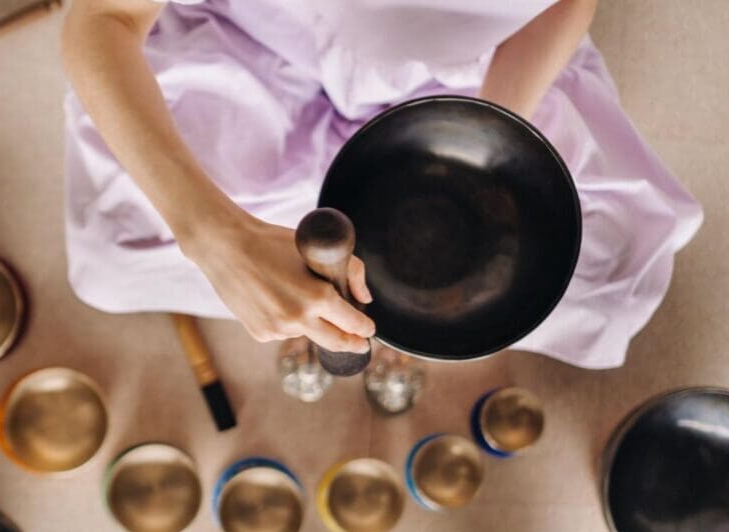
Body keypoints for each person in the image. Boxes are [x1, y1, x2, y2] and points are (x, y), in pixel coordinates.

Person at [60, 0, 702, 369]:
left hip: (464, 73)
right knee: (116, 249)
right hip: (255, 47)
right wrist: (211, 235)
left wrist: (494, 128)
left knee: (611, 285)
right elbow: (105, 17)